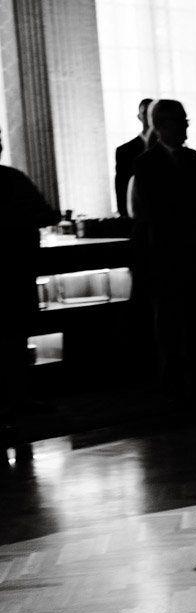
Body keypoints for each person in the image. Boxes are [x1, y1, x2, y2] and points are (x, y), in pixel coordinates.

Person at [128, 99, 196, 402]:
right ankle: (173, 384)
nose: (185, 127)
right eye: (180, 121)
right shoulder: (145, 164)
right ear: (162, 125)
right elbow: (155, 211)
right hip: (166, 255)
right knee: (169, 323)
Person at [0, 127, 58, 435]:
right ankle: (19, 396)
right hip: (17, 267)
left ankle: (14, 398)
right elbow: (46, 214)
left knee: (13, 336)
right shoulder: (14, 179)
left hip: (13, 270)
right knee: (16, 336)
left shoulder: (14, 179)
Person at [115, 98, 154, 218]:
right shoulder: (125, 151)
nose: (148, 117)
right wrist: (124, 216)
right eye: (145, 113)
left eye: (151, 113)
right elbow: (121, 186)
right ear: (139, 117)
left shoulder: (173, 148)